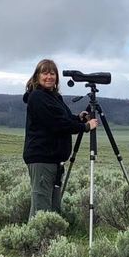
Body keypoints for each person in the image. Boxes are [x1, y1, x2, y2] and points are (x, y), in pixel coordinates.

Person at [23, 59, 98, 219]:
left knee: (52, 204)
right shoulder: (37, 97)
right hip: (42, 158)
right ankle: (37, 241)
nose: (49, 77)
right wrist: (84, 127)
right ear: (37, 76)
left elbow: (62, 117)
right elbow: (56, 124)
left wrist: (78, 118)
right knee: (41, 205)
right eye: (45, 73)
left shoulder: (53, 97)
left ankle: (48, 238)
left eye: (52, 73)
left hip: (53, 159)